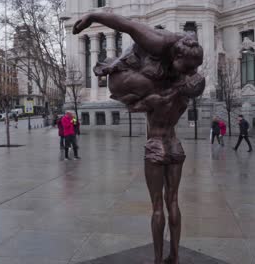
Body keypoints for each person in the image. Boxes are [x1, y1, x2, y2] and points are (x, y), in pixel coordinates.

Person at [74, 12, 205, 264]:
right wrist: (92, 17)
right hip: (175, 146)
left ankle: (158, 260)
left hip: (155, 146)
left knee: (157, 206)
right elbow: (125, 23)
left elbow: (137, 103)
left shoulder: (155, 98)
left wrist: (139, 100)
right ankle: (174, 256)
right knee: (174, 202)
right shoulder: (181, 98)